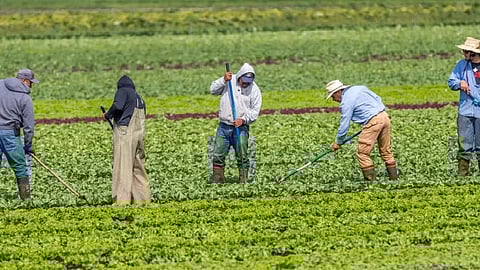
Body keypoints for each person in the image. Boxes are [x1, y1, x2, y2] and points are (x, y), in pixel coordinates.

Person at [326, 79, 398, 181]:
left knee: (363, 153)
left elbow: (344, 124)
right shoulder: (360, 88)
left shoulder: (346, 102)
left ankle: (371, 183)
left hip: (373, 122)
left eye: (333, 96)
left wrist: (338, 142)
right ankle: (395, 179)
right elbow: (378, 98)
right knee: (386, 150)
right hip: (385, 116)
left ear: (338, 92)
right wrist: (381, 115)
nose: (333, 99)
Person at [210, 63, 262, 184]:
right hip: (224, 127)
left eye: (248, 82)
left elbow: (255, 112)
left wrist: (243, 119)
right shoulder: (229, 80)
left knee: (242, 156)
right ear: (239, 76)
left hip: (241, 128)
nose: (245, 84)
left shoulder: (254, 90)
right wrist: (223, 80)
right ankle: (217, 182)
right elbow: (212, 90)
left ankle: (244, 182)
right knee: (218, 155)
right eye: (243, 81)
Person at [103, 75, 151, 205]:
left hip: (125, 133)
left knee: (123, 166)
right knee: (138, 167)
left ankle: (122, 201)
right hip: (139, 134)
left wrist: (108, 114)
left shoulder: (123, 91)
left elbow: (117, 106)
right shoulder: (139, 98)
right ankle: (143, 199)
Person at [0, 69, 39, 200]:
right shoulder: (25, 98)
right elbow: (29, 126)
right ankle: (26, 199)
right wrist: (28, 145)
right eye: (31, 83)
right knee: (20, 167)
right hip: (10, 133)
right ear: (24, 81)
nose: (31, 86)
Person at [448, 37, 480, 176]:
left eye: (466, 51)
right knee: (464, 144)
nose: (464, 53)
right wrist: (460, 83)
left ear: (474, 53)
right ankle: (463, 175)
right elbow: (451, 81)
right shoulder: (461, 65)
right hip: (466, 111)